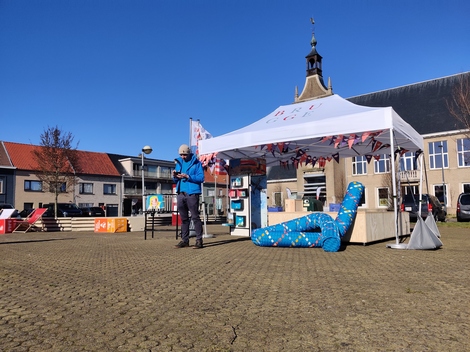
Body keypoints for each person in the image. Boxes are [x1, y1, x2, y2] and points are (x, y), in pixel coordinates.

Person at [173, 144, 205, 249]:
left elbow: (201, 178)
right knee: (184, 218)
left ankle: (199, 240)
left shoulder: (197, 163)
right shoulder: (178, 163)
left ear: (189, 153)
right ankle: (184, 240)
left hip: (192, 193)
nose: (183, 156)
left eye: (185, 154)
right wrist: (175, 176)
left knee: (195, 217)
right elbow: (175, 180)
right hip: (180, 193)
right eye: (181, 154)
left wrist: (188, 176)